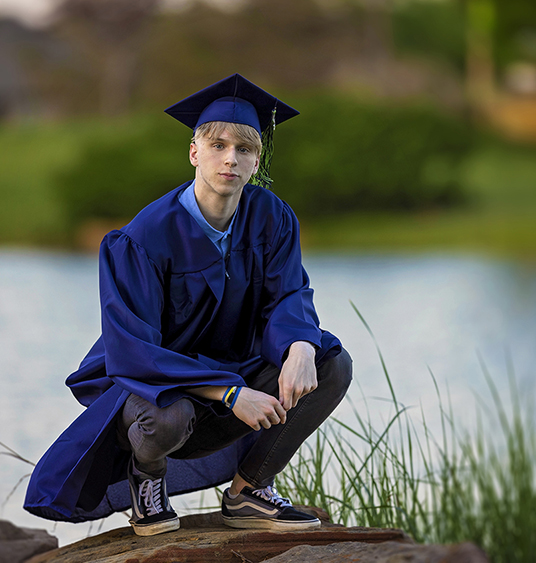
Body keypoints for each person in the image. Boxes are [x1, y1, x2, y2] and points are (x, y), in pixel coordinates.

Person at [24, 73, 352, 536]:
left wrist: (299, 344)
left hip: (237, 370)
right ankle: (147, 482)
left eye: (244, 149)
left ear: (258, 160)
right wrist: (232, 392)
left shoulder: (272, 217)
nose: (230, 159)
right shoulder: (143, 239)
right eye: (217, 145)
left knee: (331, 362)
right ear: (194, 152)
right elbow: (133, 351)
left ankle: (248, 491)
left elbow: (289, 294)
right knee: (165, 417)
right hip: (158, 388)